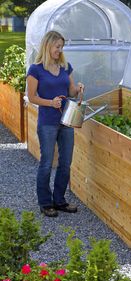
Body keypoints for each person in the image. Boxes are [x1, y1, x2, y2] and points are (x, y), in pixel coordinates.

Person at [27, 30, 84, 217]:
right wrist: (50, 102)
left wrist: (79, 89)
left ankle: (59, 201)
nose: (60, 50)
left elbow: (71, 92)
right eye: (57, 46)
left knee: (65, 163)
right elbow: (32, 97)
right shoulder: (36, 70)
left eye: (61, 47)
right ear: (48, 45)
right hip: (48, 123)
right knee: (46, 163)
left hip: (66, 121)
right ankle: (45, 203)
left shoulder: (65, 67)